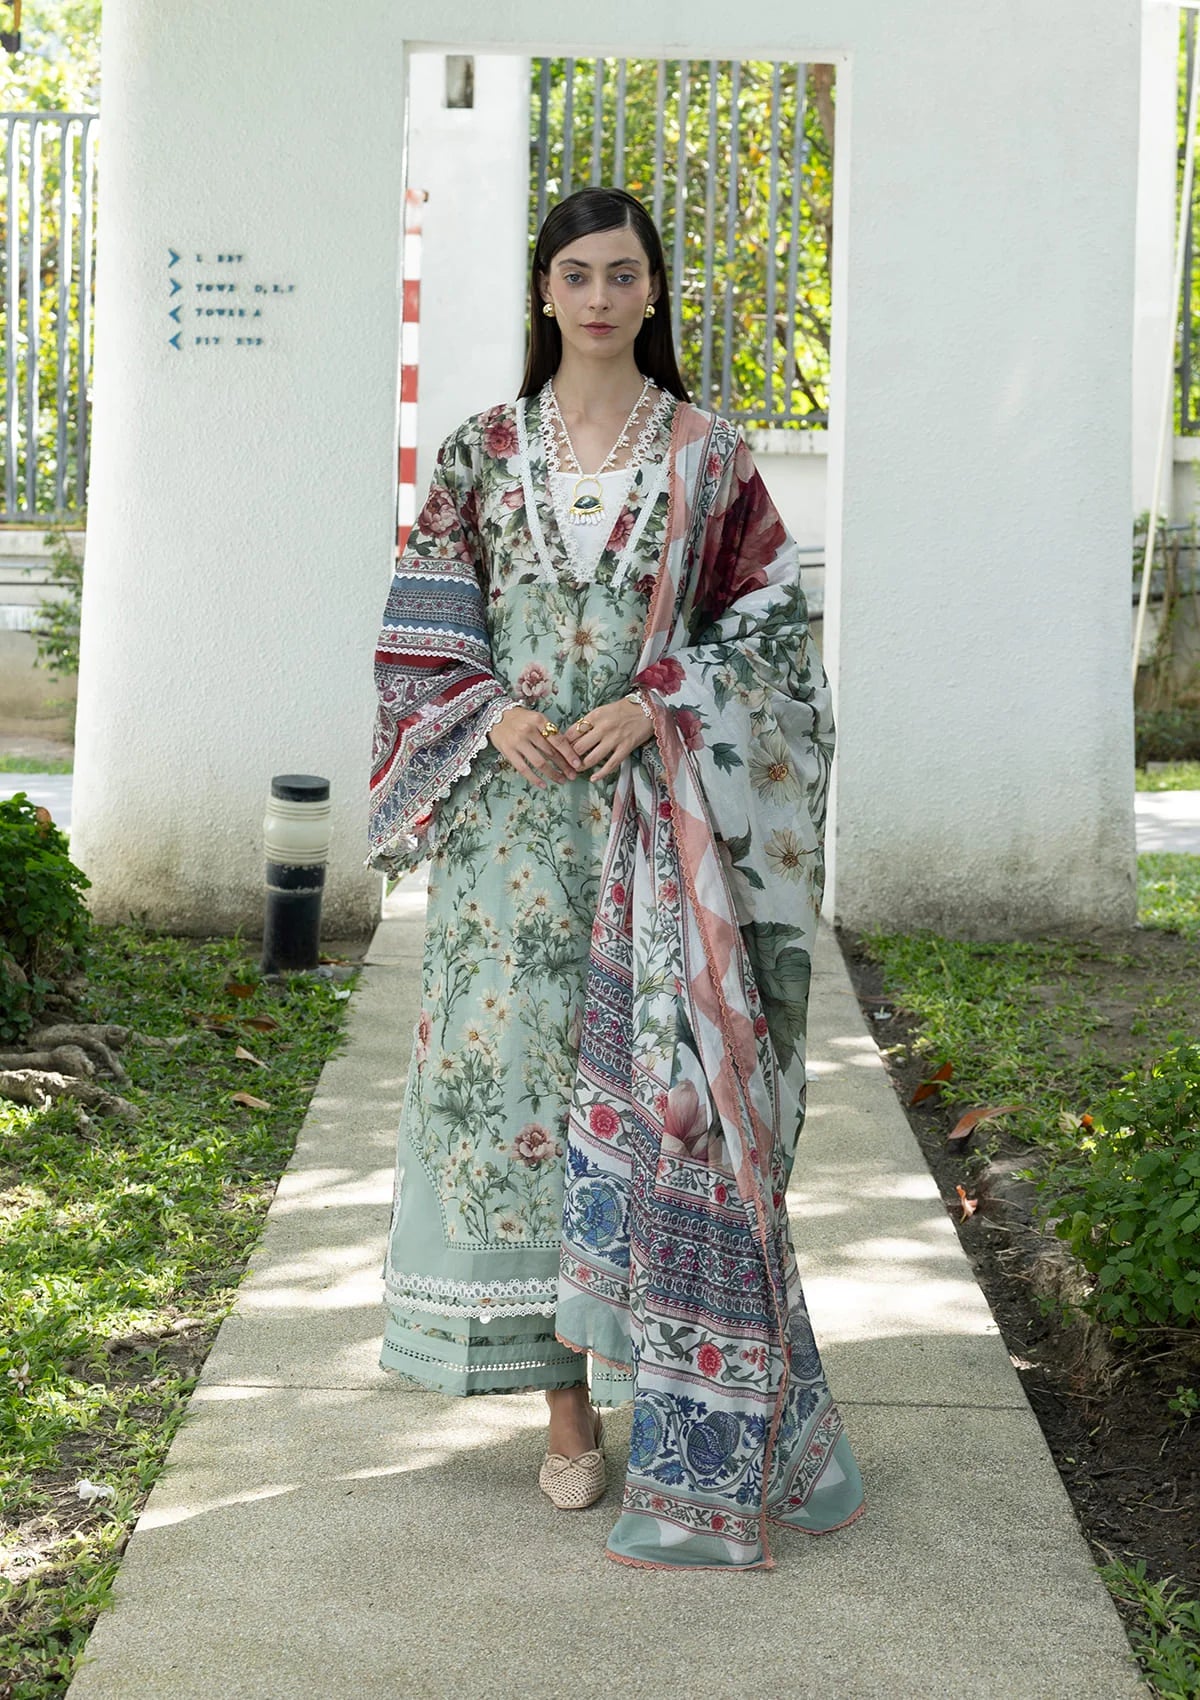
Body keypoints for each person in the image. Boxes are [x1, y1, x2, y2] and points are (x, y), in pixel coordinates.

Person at [365, 185, 865, 1570]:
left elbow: (775, 642)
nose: (598, 297)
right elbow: (420, 633)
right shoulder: (480, 454)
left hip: (660, 833)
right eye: (576, 273)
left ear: (653, 292)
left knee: (669, 1109)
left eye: (623, 273)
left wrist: (660, 704)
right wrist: (485, 715)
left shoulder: (711, 458)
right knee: (519, 1102)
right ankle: (566, 1409)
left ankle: (677, 1385)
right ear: (545, 290)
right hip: (511, 852)